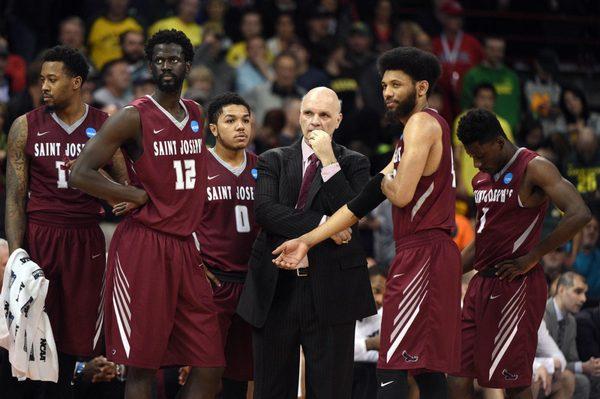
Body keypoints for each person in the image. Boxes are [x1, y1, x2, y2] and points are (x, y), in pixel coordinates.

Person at [273, 46, 462, 399]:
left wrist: (382, 177)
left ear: (421, 88)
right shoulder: (412, 133)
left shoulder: (422, 123)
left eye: (396, 85)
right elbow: (358, 206)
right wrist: (307, 241)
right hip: (423, 253)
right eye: (384, 85)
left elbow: (400, 194)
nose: (387, 93)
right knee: (427, 370)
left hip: (425, 252)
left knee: (392, 365)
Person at [69, 29, 225, 399]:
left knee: (210, 363)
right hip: (144, 246)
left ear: (187, 64)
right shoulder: (132, 116)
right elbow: (80, 172)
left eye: (172, 59)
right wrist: (130, 193)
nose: (165, 66)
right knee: (142, 368)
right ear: (149, 65)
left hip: (185, 247)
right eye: (158, 60)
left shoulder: (196, 113)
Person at [237, 86, 375, 399]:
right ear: (299, 116)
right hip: (275, 288)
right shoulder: (273, 158)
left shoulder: (356, 163)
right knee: (271, 389)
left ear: (338, 120)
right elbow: (266, 211)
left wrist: (328, 160)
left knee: (330, 390)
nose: (315, 121)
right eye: (309, 113)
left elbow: (352, 213)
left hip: (332, 289)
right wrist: (326, 224)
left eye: (324, 115)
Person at [4, 45, 126, 397]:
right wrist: (17, 257)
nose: (44, 86)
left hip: (85, 237)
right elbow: (14, 198)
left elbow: (126, 193)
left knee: (81, 335)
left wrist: (95, 180)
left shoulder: (106, 127)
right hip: (41, 236)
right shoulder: (23, 126)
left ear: (76, 82)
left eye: (52, 80)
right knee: (35, 332)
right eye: (42, 79)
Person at [446, 109, 591, 399]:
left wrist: (533, 257)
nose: (475, 163)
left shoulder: (534, 167)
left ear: (499, 142)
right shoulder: (483, 177)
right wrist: (445, 275)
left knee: (514, 380)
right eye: (470, 156)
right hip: (481, 285)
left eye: (479, 155)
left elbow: (579, 213)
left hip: (517, 284)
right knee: (457, 370)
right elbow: (480, 242)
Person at [192, 92, 259, 398]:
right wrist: (194, 263)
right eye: (230, 120)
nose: (240, 127)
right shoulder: (197, 165)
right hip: (213, 282)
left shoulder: (265, 167)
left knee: (241, 373)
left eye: (245, 120)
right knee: (205, 372)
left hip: (251, 284)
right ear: (214, 128)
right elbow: (179, 222)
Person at [545, 272, 600, 399]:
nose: (584, 299)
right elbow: (538, 357)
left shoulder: (571, 321)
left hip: (559, 371)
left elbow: (571, 360)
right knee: (576, 380)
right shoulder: (542, 314)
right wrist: (582, 367)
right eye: (578, 292)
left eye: (585, 293)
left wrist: (587, 366)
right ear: (561, 289)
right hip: (537, 369)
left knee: (584, 381)